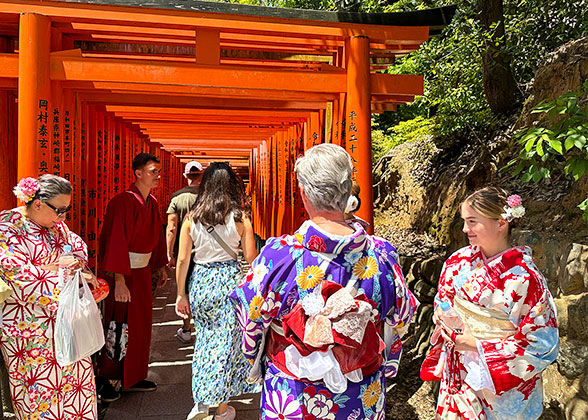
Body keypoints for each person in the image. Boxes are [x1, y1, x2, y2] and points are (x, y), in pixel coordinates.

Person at [229, 144, 419, 420]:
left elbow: (251, 317)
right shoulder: (381, 253)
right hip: (361, 388)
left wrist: (253, 360)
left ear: (304, 193)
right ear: (348, 191)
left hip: (293, 392)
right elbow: (400, 316)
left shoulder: (279, 255)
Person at [423, 187, 559, 420]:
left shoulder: (525, 278)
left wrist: (476, 344)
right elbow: (443, 300)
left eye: (473, 221)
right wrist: (443, 319)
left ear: (501, 222)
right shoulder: (458, 261)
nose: (465, 229)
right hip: (459, 374)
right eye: (465, 221)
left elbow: (542, 342)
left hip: (502, 389)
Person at [0, 175, 98, 420]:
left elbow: (75, 244)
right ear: (37, 204)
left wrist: (72, 263)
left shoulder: (56, 225)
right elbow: (17, 274)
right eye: (60, 210)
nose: (63, 217)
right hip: (30, 328)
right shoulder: (7, 227)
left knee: (77, 393)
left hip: (67, 324)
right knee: (39, 398)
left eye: (67, 210)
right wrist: (60, 273)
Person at [175, 162, 259, 420]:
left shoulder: (191, 218)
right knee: (225, 344)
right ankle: (221, 410)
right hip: (229, 280)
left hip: (201, 280)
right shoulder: (240, 218)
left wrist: (181, 294)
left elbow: (182, 260)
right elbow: (251, 257)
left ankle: (202, 401)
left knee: (204, 341)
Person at [96, 153, 168, 402]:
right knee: (118, 324)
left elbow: (156, 237)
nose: (157, 175)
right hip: (125, 275)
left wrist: (159, 267)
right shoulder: (122, 202)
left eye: (158, 171)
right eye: (152, 171)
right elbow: (116, 240)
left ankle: (133, 376)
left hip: (142, 272)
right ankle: (108, 378)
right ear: (137, 173)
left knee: (140, 327)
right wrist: (119, 281)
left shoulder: (152, 202)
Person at [166, 160, 203, 343]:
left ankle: (187, 328)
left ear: (185, 176)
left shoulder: (177, 198)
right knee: (202, 287)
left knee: (184, 290)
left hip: (185, 251)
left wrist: (169, 253)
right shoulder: (210, 197)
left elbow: (172, 227)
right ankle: (204, 326)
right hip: (206, 252)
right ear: (202, 175)